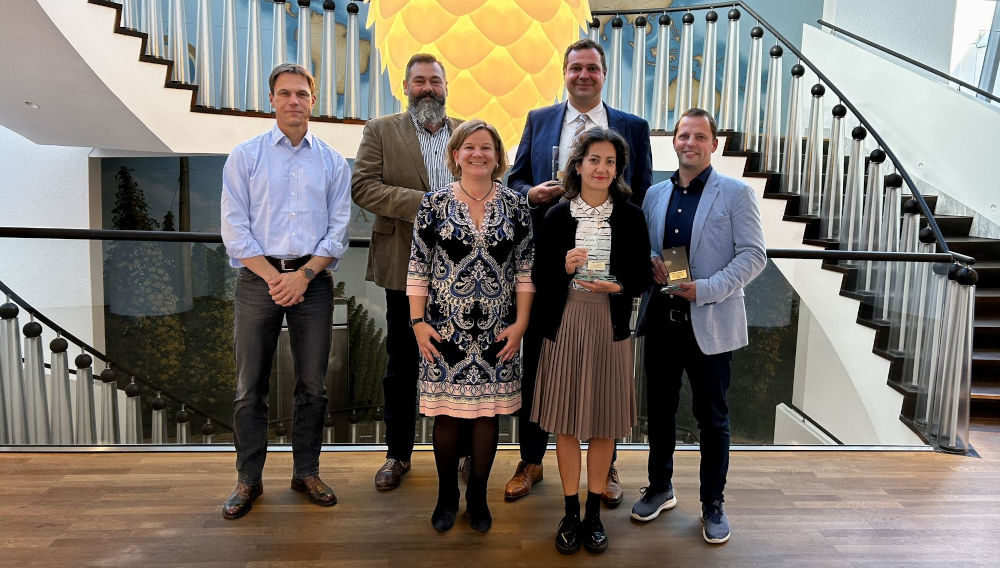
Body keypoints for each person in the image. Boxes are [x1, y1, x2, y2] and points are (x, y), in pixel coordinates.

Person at [505, 38, 652, 506]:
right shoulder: (539, 119)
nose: (584, 75)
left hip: (607, 286)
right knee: (540, 369)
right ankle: (531, 460)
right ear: (564, 73)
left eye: (592, 68)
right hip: (552, 271)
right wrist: (536, 196)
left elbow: (642, 191)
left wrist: (625, 266)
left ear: (604, 74)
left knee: (603, 383)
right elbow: (515, 181)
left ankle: (603, 472)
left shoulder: (633, 127)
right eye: (575, 68)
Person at [220, 63, 351, 519]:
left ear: (313, 100)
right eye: (285, 93)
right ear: (271, 100)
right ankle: (248, 480)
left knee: (313, 386)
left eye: (302, 94)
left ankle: (306, 472)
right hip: (258, 281)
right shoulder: (245, 156)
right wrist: (275, 277)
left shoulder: (333, 161)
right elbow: (235, 231)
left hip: (312, 283)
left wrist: (303, 276)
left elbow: (338, 232)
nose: (294, 101)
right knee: (248, 387)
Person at [632, 108, 766, 544]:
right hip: (662, 321)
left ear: (714, 145)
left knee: (713, 418)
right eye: (683, 135)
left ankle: (713, 503)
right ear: (673, 141)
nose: (690, 142)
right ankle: (660, 487)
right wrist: (651, 265)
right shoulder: (653, 194)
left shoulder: (736, 193)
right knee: (661, 412)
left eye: (699, 136)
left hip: (710, 321)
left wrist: (705, 288)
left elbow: (753, 256)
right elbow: (650, 250)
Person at [406, 119, 534, 533]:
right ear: (456, 155)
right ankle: (447, 495)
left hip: (498, 332)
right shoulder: (434, 204)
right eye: (470, 147)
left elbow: (525, 272)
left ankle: (477, 494)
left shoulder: (517, 206)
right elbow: (418, 268)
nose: (478, 154)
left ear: (498, 157)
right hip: (444, 332)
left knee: (486, 417)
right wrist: (417, 322)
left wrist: (521, 325)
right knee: (445, 418)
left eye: (487, 148)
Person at [530, 128, 651, 554]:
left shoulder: (632, 216)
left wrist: (618, 288)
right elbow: (540, 279)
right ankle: (568, 512)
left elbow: (641, 276)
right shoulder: (558, 216)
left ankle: (595, 514)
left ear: (618, 170)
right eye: (594, 160)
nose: (602, 169)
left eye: (610, 162)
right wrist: (563, 266)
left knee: (602, 422)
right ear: (578, 165)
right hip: (565, 322)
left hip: (611, 325)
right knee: (564, 420)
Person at [352, 53, 464, 491]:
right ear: (405, 87)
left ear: (445, 87)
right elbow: (363, 187)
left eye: (435, 80)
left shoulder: (465, 133)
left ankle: (460, 455)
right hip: (403, 268)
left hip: (461, 274)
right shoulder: (381, 130)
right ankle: (398, 455)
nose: (427, 88)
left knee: (457, 365)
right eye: (419, 81)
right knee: (402, 365)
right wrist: (426, 204)